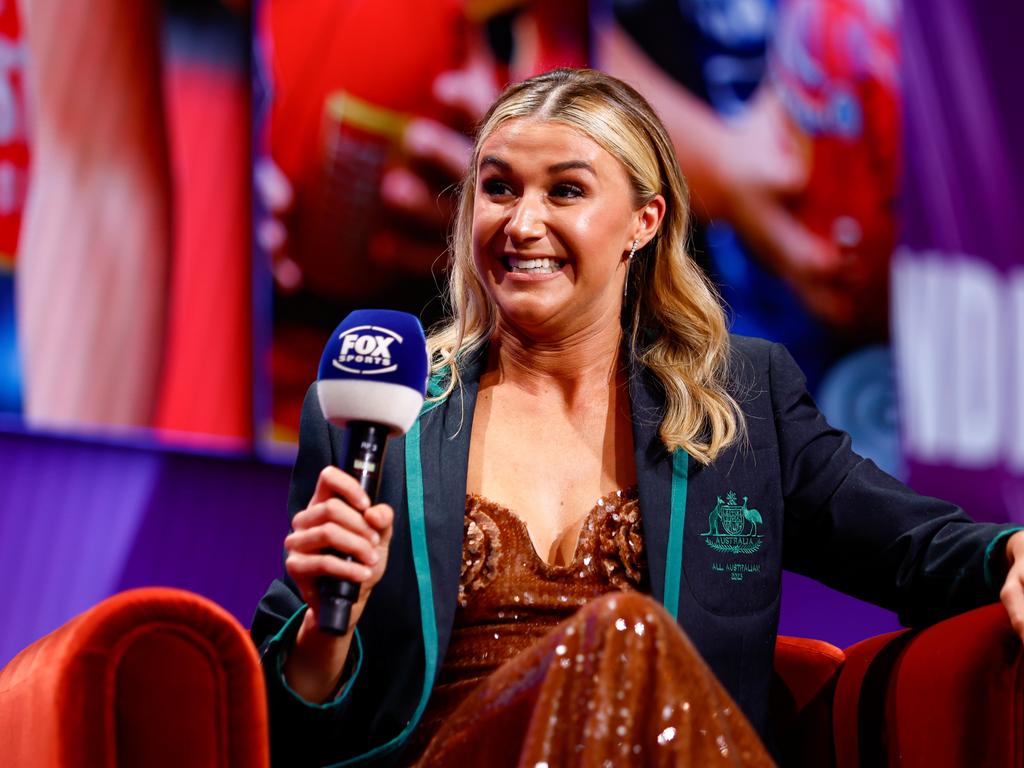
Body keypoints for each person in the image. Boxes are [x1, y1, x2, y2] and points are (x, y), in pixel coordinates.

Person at [251, 68, 1024, 767]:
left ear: (644, 222)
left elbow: (913, 547)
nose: (521, 223)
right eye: (498, 188)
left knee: (627, 644)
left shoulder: (743, 400)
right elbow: (292, 717)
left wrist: (1012, 551)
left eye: (564, 191)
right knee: (623, 635)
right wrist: (328, 630)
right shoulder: (384, 414)